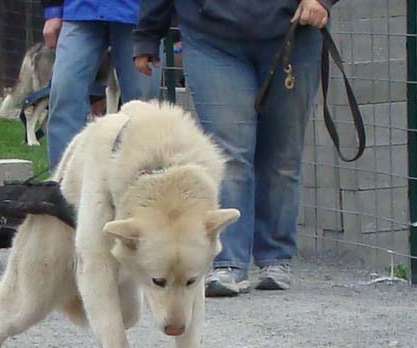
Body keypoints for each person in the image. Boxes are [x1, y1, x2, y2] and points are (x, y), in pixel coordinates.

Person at [133, 0, 335, 297]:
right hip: (211, 37)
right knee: (229, 155)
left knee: (282, 154)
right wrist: (147, 33)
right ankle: (228, 261)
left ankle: (275, 257)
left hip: (294, 30)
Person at [42, 0, 161, 169]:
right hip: (80, 11)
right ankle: (62, 184)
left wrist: (157, 17)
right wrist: (52, 10)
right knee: (64, 94)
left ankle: (142, 185)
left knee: (144, 109)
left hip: (139, 16)